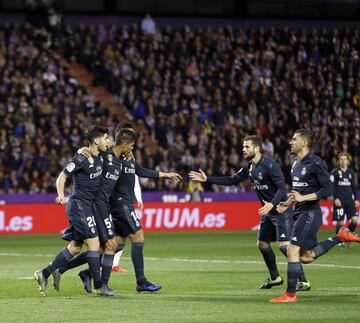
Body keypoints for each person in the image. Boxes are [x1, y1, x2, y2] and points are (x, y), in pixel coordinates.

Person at [189, 135, 310, 291]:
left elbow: (282, 189)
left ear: (257, 148)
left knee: (284, 247)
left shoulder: (270, 165)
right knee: (262, 244)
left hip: (281, 210)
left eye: (247, 147)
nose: (243, 149)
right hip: (267, 213)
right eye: (243, 146)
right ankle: (275, 278)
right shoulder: (249, 167)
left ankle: (303, 281)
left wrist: (271, 205)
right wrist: (208, 180)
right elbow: (232, 179)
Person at [270, 129, 360, 303]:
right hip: (299, 212)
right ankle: (340, 237)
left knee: (292, 249)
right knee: (307, 256)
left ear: (304, 143)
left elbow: (327, 189)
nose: (290, 142)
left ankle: (290, 295)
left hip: (310, 213)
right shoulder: (295, 163)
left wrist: (304, 198)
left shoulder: (316, 163)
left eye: (294, 139)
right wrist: (288, 202)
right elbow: (298, 191)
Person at [34, 125, 118, 297]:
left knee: (75, 247)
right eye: (105, 138)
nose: (108, 141)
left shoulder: (100, 154)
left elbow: (113, 146)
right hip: (79, 205)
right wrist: (60, 195)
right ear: (96, 140)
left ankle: (44, 273)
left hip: (87, 206)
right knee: (94, 244)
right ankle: (100, 286)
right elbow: (62, 177)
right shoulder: (81, 159)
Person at [51, 128, 137, 294]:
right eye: (131, 145)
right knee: (108, 245)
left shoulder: (123, 158)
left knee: (97, 247)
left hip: (109, 205)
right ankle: (101, 286)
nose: (132, 148)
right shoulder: (106, 153)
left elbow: (139, 171)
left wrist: (164, 175)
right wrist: (80, 150)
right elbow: (90, 151)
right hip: (96, 205)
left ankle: (76, 272)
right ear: (124, 143)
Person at [330, 152, 359, 244]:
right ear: (338, 161)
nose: (343, 161)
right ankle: (339, 241)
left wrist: (357, 199)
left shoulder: (351, 172)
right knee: (340, 222)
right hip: (339, 201)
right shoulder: (334, 172)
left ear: (348, 161)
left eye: (345, 159)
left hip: (350, 201)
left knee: (355, 220)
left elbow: (353, 187)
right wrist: (335, 198)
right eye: (341, 159)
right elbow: (332, 186)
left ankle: (348, 235)